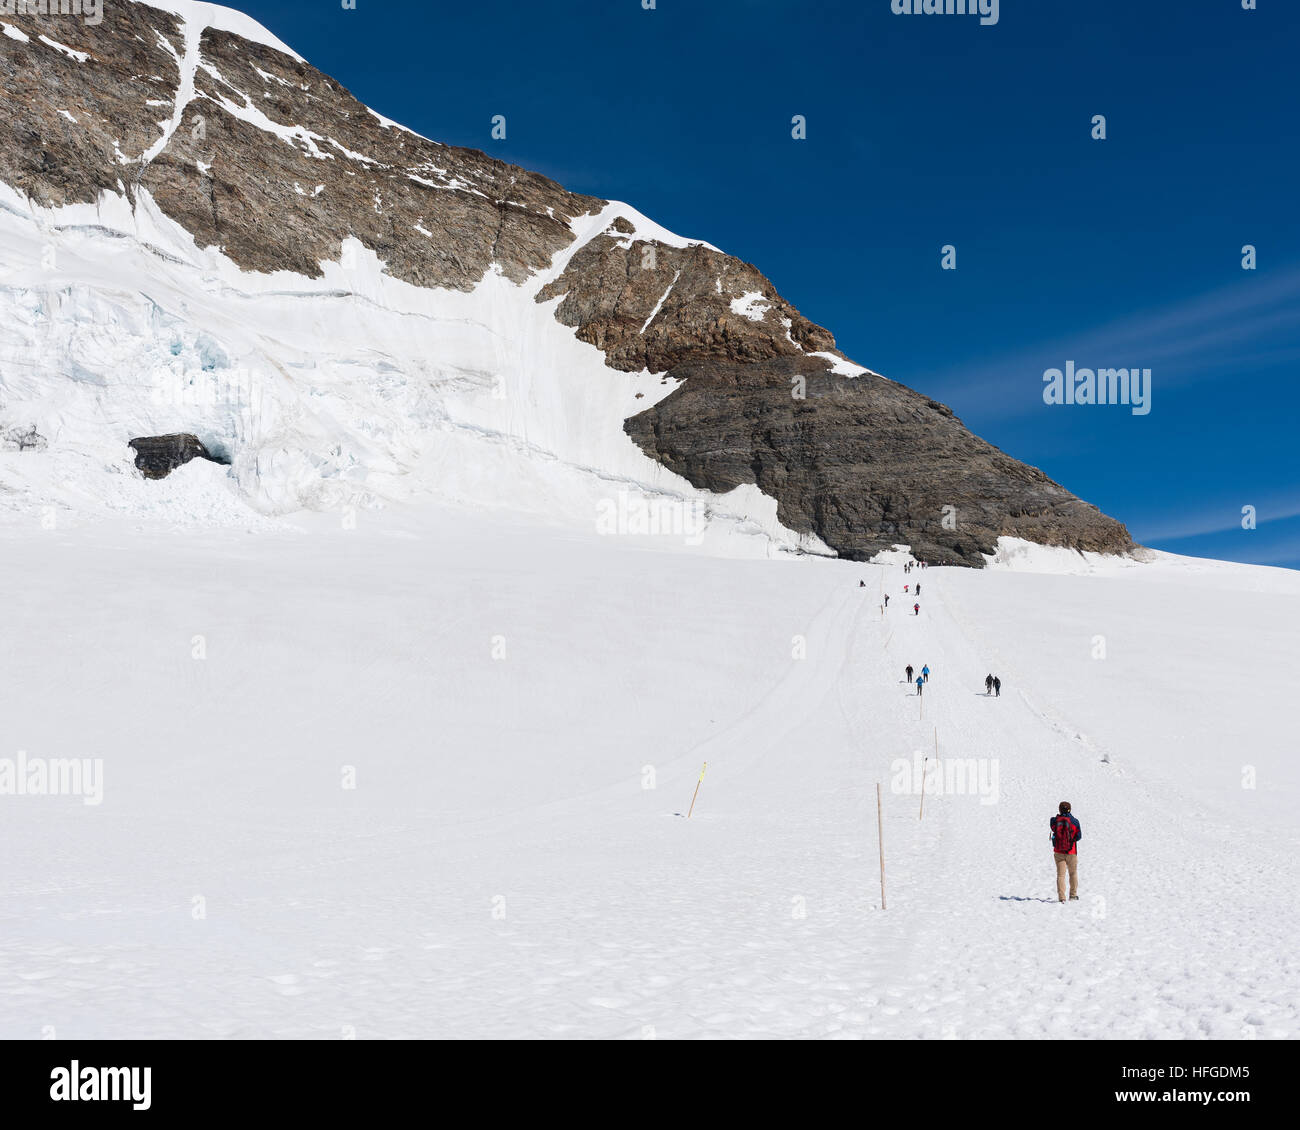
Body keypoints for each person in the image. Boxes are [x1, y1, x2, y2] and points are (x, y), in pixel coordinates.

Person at [1050, 802, 1082, 902]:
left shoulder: (1054, 821)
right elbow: (1079, 836)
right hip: (1071, 852)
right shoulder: (1075, 821)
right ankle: (1073, 895)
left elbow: (1052, 825)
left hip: (1058, 852)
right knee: (1073, 873)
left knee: (1060, 875)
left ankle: (1062, 898)